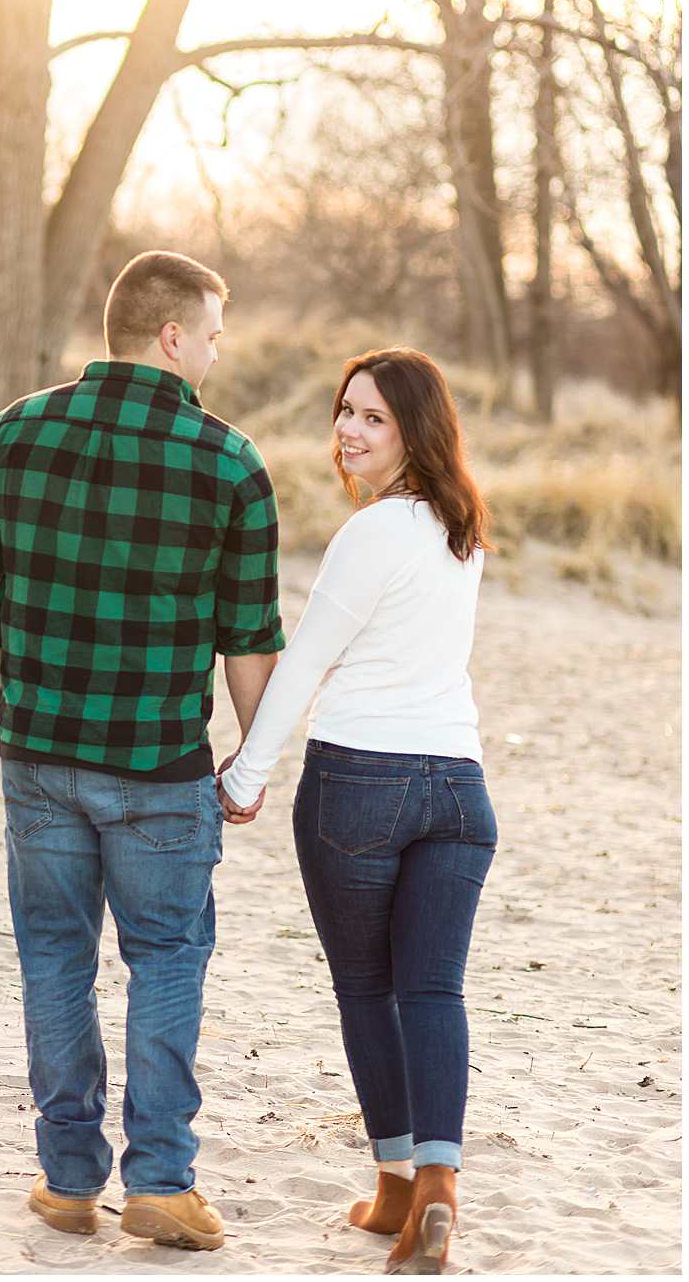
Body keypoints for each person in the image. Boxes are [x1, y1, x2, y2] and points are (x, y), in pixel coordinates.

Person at [0, 250, 285, 1252]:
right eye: (214, 335)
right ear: (174, 335)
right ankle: (165, 1181)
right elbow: (248, 637)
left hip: (39, 758)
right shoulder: (230, 461)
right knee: (168, 957)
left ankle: (65, 1177)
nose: (217, 354)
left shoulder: (11, 433)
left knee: (54, 953)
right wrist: (252, 760)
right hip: (161, 768)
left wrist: (29, 706)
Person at [219, 348, 497, 1277]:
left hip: (362, 784)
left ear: (416, 429)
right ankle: (441, 1186)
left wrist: (248, 773)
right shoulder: (464, 531)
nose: (348, 429)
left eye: (373, 417)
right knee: (433, 990)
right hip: (460, 789)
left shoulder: (373, 533)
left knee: (367, 989)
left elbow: (303, 664)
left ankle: (393, 1185)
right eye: (345, 411)